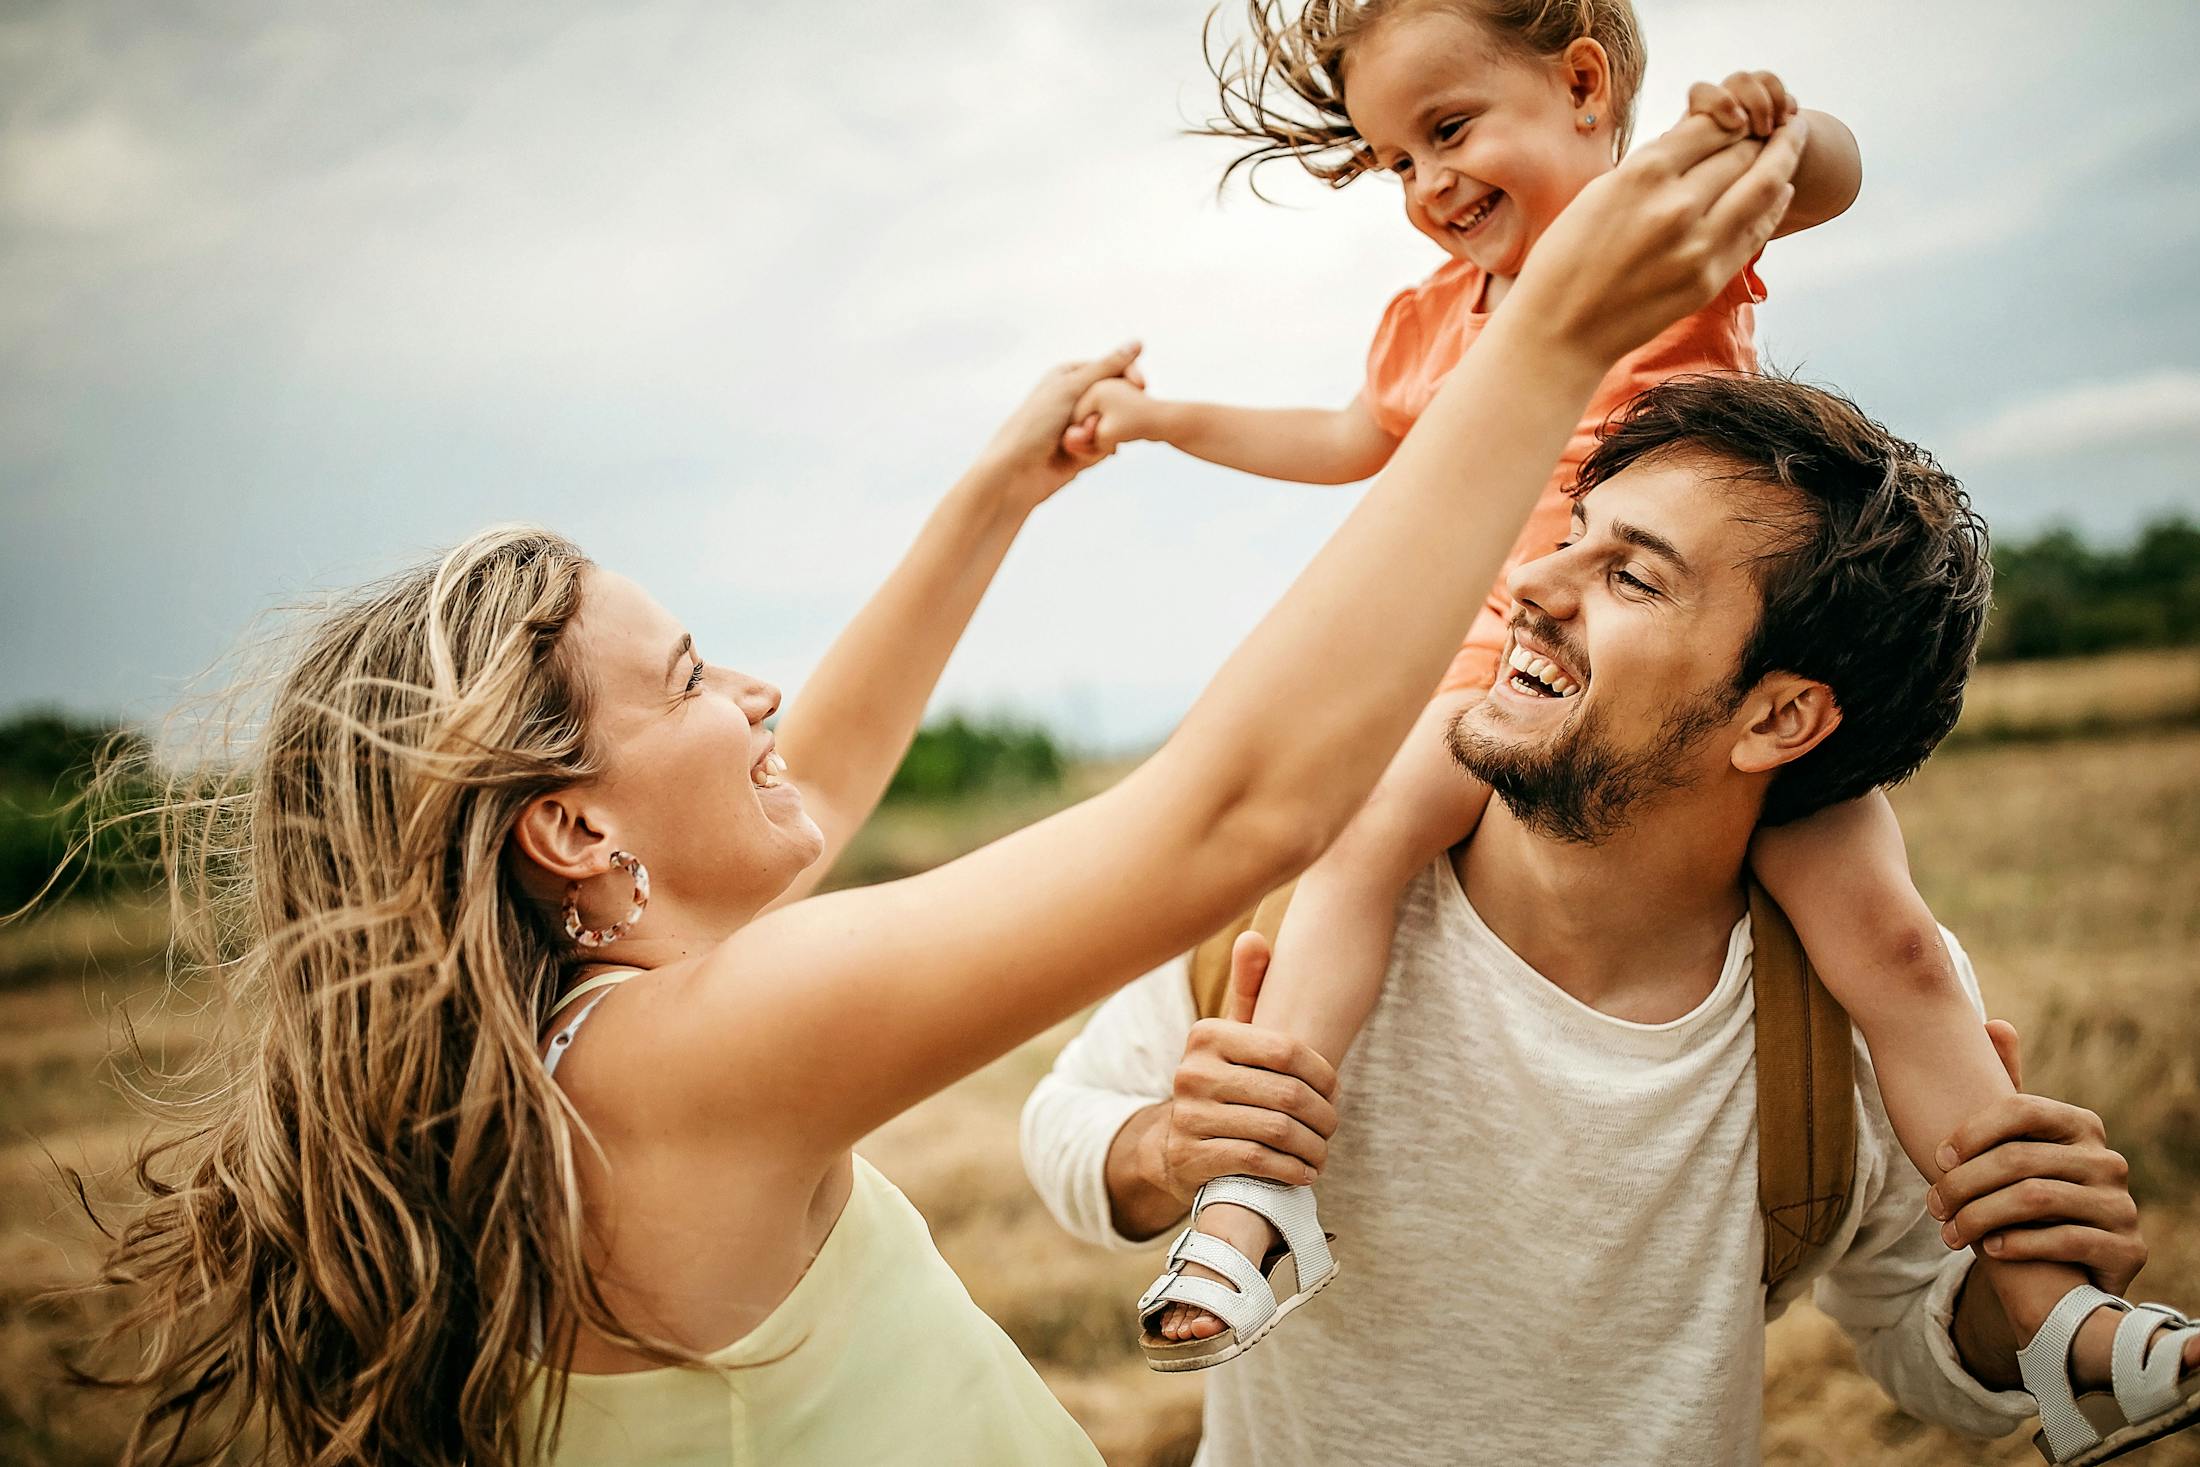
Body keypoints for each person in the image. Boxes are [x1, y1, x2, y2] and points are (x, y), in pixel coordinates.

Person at [63, 101, 1806, 1467]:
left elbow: (797, 785)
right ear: (576, 828)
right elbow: (1235, 811)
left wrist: (993, 494)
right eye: (688, 679)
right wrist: (1547, 346)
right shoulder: (685, 1063)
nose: (755, 692)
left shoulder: (573, 1045)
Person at [1067, 2, 2151, 1402]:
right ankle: (1260, 1194)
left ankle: (2053, 1307)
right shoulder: (1429, 321)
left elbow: (1825, 179)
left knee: (1898, 947)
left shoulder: (1656, 242)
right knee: (1355, 860)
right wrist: (1165, 421)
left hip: (1713, 675)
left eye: (1448, 130)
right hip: (1489, 674)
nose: (1426, 187)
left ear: (1585, 84)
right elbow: (1347, 438)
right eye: (1394, 159)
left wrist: (1766, 129)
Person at [1023, 369, 2200, 1465]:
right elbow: (1063, 1127)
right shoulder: (1297, 894)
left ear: (1781, 720)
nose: (1529, 587)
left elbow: (1921, 1344)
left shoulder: (1844, 1004)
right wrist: (1173, 1151)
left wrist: (2022, 1283)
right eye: (1572, 538)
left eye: (1631, 577)